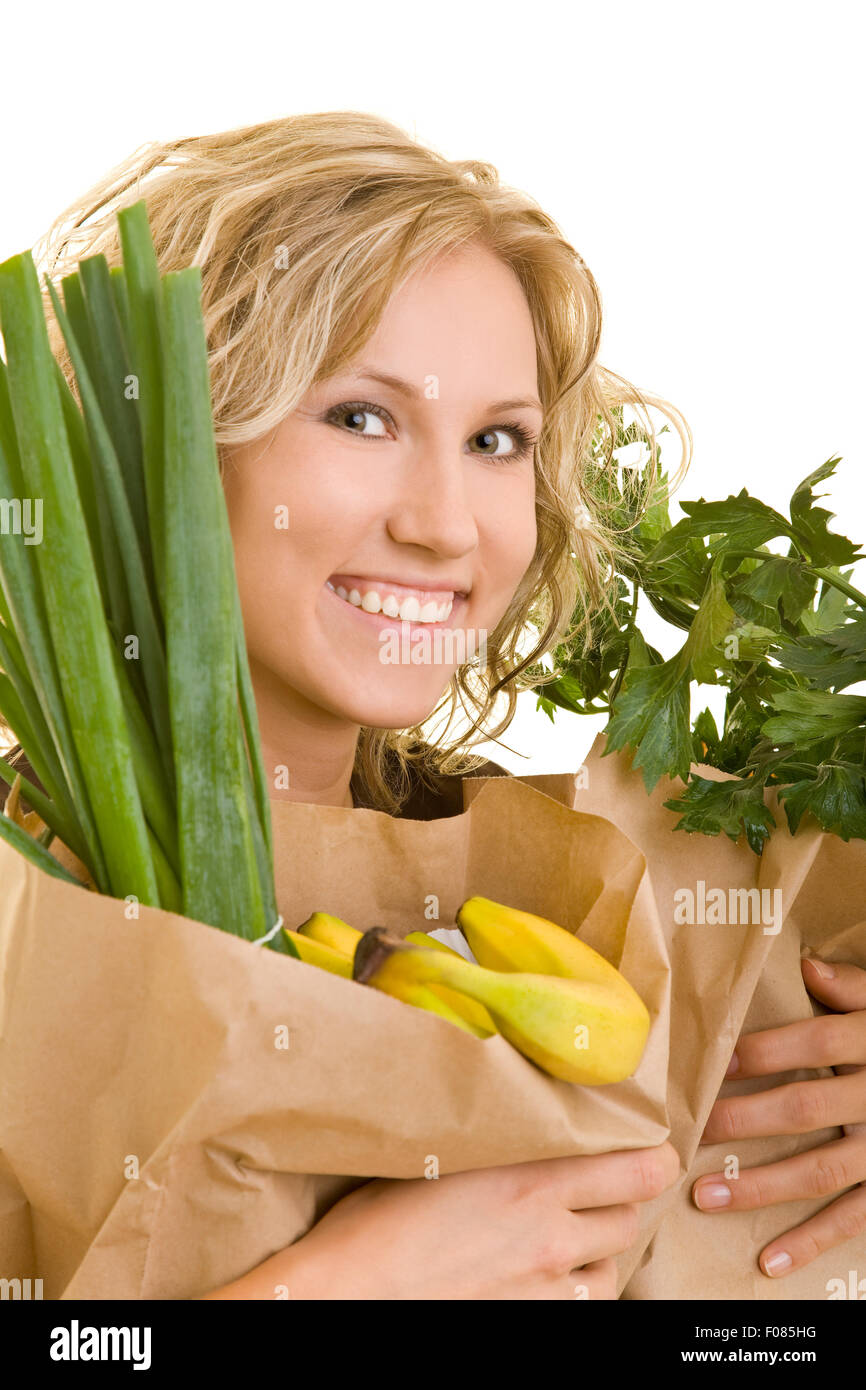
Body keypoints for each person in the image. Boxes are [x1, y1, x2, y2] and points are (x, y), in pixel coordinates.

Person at [2, 111, 717, 1299]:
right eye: (361, 417)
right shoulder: (30, 921)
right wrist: (349, 1282)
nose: (445, 523)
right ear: (156, 439)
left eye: (497, 439)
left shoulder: (542, 895)